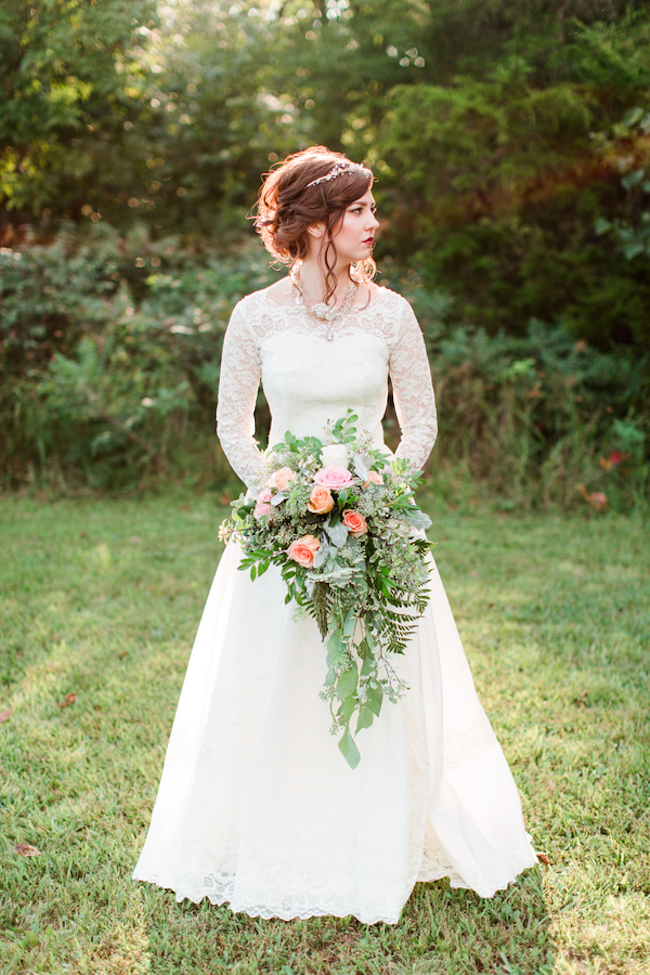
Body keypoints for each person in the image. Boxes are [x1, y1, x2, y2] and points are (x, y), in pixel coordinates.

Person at [132, 146, 537, 924]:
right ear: (316, 222)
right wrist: (278, 497)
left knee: (379, 673)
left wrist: (379, 491)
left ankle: (382, 831)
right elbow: (232, 423)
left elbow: (417, 421)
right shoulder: (255, 315)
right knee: (279, 675)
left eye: (370, 208)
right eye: (358, 210)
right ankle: (279, 832)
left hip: (374, 520)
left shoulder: (392, 313)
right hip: (284, 528)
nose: (374, 222)